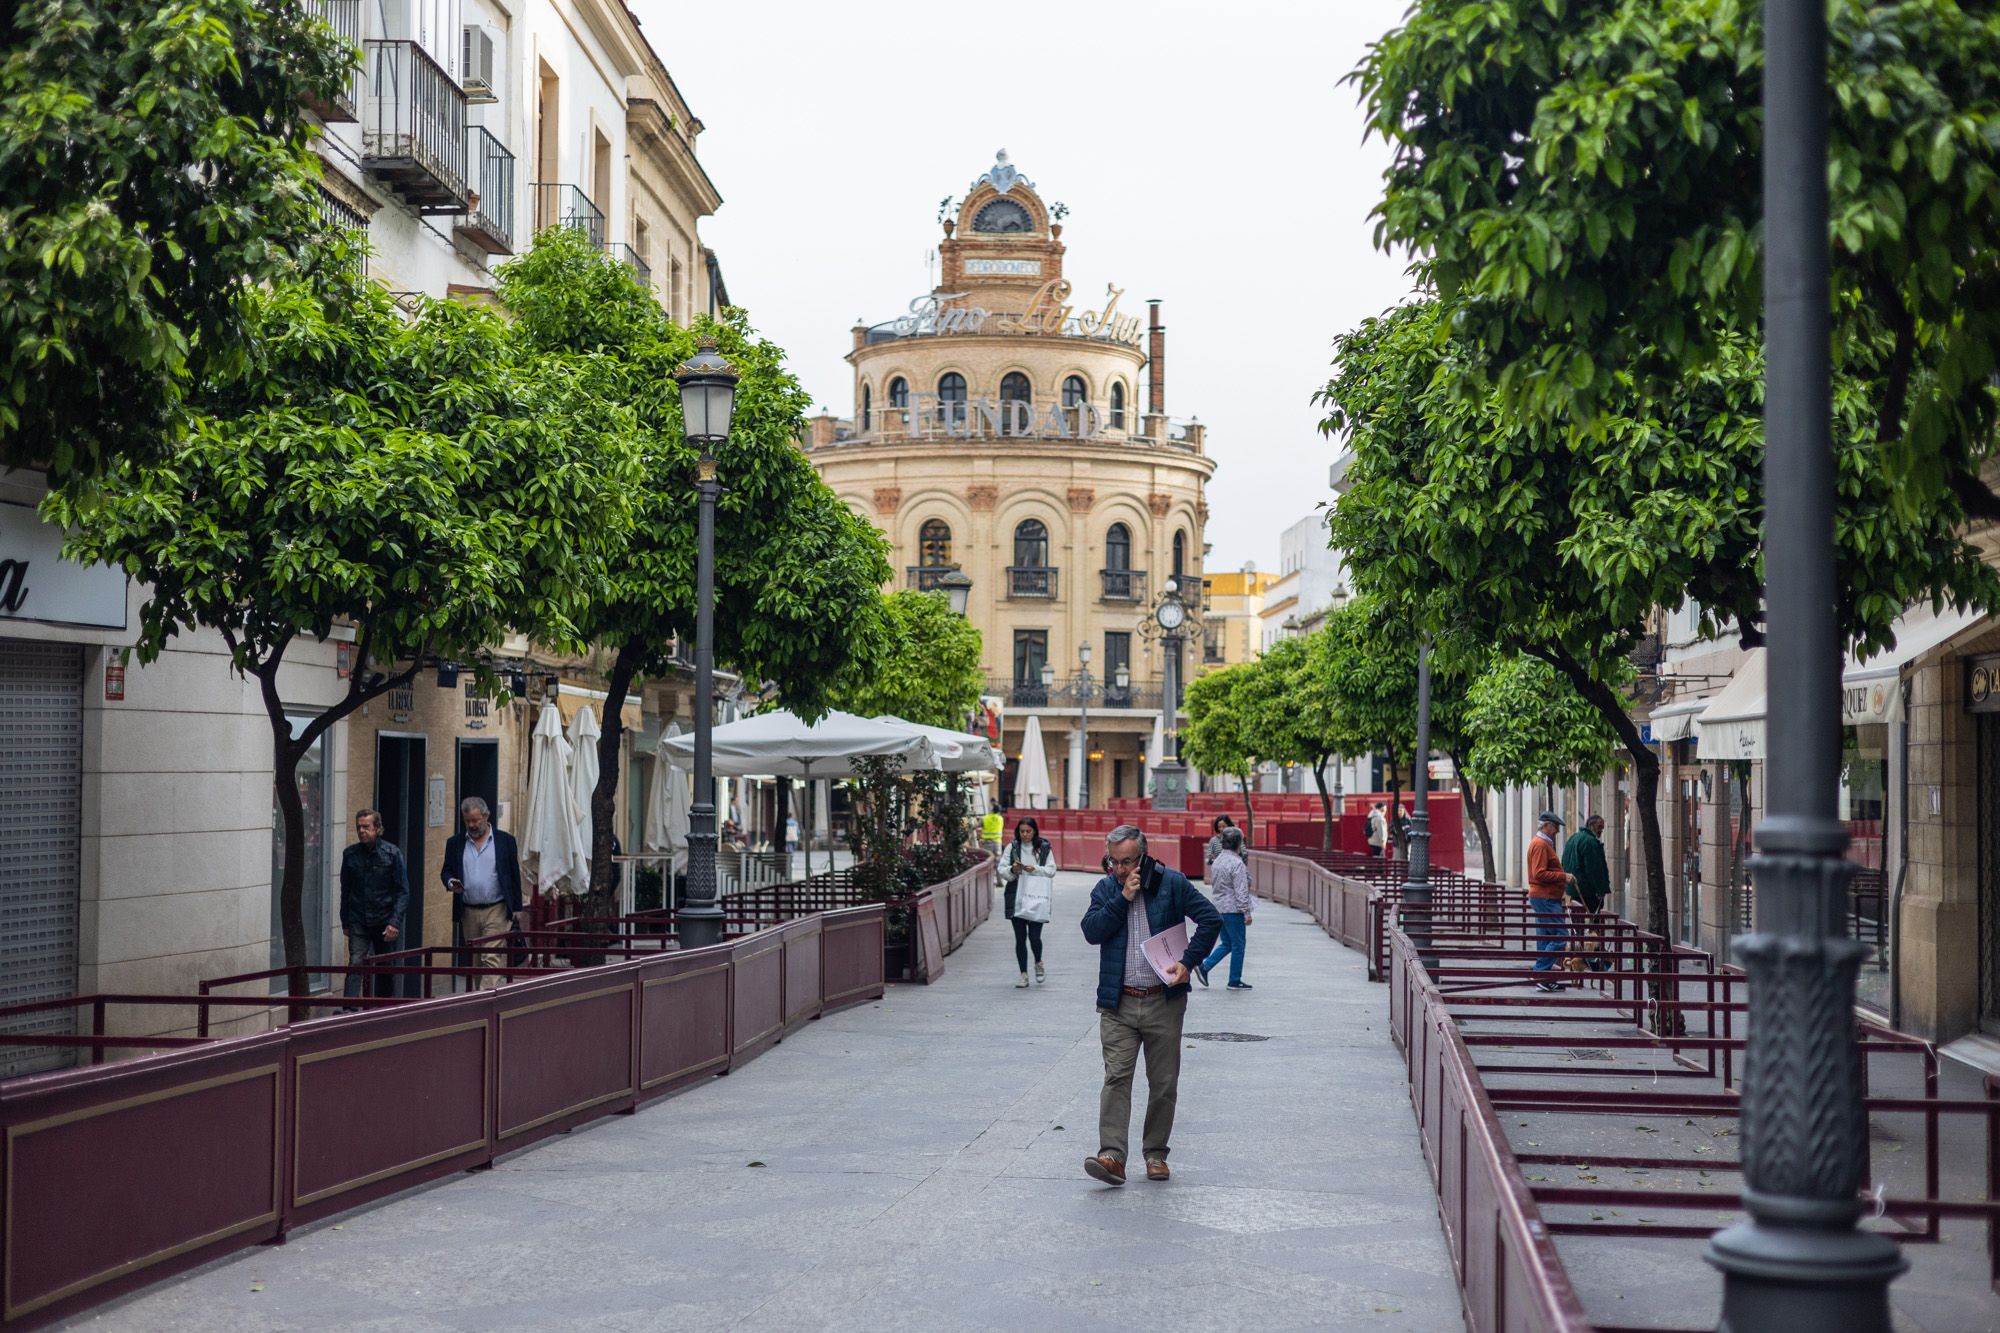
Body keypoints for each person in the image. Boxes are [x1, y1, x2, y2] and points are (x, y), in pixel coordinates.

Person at [1079, 825, 1221, 1185]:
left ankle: (1156, 1153)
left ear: (1142, 857)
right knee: (1116, 1077)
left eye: (1127, 861)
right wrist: (1121, 898)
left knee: (1163, 1082)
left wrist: (1187, 964)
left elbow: (1210, 919)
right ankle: (1111, 1156)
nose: (1121, 869)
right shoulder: (1106, 889)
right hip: (1118, 1002)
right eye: (1114, 862)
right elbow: (1092, 931)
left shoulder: (1171, 884)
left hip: (1163, 1002)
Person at [441, 797, 523, 989]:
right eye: (468, 821)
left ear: (486, 816)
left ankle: (484, 999)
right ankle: (485, 997)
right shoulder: (455, 843)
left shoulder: (505, 841)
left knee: (491, 956)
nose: (472, 825)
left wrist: (517, 907)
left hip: (497, 908)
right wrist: (451, 882)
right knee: (477, 960)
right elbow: (446, 871)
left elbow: (513, 874)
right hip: (468, 910)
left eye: (476, 820)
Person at [338, 808, 409, 1007]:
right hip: (358, 918)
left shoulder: (392, 854)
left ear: (377, 828)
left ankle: (384, 1007)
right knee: (356, 962)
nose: (362, 831)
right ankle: (349, 1009)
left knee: (385, 965)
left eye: (366, 827)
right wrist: (345, 921)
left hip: (384, 918)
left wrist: (395, 921)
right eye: (359, 827)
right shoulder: (350, 855)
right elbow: (346, 889)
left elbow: (403, 891)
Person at [1197, 827, 1255, 989]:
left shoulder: (1218, 861)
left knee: (1227, 943)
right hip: (1233, 909)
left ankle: (1205, 966)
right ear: (1238, 843)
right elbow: (1241, 891)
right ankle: (1234, 980)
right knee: (1238, 945)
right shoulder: (1237, 864)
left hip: (1218, 906)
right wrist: (1246, 912)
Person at [1002, 816, 1057, 987]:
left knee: (1034, 937)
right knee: (1020, 938)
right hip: (1016, 896)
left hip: (1037, 897)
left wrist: (1036, 869)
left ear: (1034, 832)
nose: (1025, 834)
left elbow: (1051, 870)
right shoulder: (1012, 848)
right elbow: (1002, 869)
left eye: (1028, 831)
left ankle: (1038, 962)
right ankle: (1023, 974)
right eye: (1022, 831)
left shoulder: (1044, 848)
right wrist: (1013, 869)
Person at [1526, 810, 1577, 992]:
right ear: (1546, 825)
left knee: (1546, 937)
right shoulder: (1541, 845)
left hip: (1543, 897)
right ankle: (1540, 972)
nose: (1557, 831)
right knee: (1561, 935)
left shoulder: (1541, 843)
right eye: (1555, 827)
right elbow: (1539, 873)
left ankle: (1544, 978)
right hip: (1545, 897)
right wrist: (1564, 876)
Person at [1563, 814, 1610, 914]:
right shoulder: (1590, 842)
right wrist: (1600, 890)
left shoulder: (1572, 838)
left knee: (1576, 923)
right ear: (1591, 825)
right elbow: (1594, 869)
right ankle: (1594, 930)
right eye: (1599, 827)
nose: (1601, 830)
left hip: (1571, 891)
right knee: (1593, 922)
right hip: (1586, 892)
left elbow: (1563, 862)